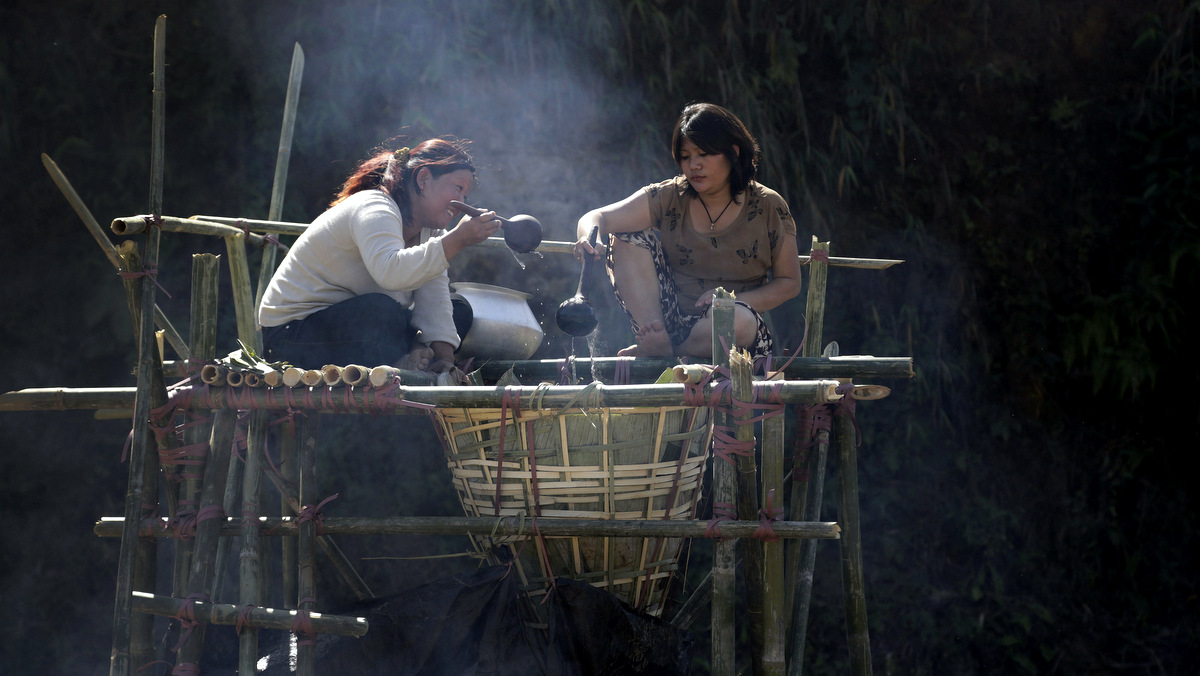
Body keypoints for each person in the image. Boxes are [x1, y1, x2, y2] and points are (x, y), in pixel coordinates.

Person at [574, 103, 801, 363]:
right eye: (685, 156)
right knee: (626, 234)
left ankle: (670, 351)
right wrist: (587, 239)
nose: (694, 165)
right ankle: (658, 339)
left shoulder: (769, 205)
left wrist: (729, 300)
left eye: (703, 154)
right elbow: (597, 217)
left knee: (736, 320)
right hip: (669, 322)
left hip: (734, 330)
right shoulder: (670, 195)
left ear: (733, 153)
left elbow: (789, 283)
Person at [258, 138, 501, 372]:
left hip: (354, 331)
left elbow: (434, 297)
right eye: (458, 189)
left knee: (459, 308)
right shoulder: (375, 206)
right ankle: (406, 358)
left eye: (465, 196)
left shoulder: (432, 231)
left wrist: (445, 359)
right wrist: (458, 239)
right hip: (290, 337)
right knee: (382, 314)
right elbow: (390, 273)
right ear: (424, 178)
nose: (461, 203)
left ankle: (418, 358)